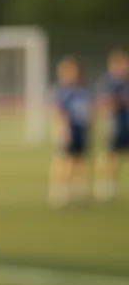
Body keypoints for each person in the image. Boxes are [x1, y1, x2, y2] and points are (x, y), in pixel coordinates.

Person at [50, 56, 93, 207]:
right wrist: (62, 129)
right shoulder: (62, 91)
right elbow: (59, 111)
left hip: (81, 130)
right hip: (68, 130)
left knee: (81, 160)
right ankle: (59, 190)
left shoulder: (82, 90)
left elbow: (88, 112)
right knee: (64, 160)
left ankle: (80, 189)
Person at [94, 47, 129, 201]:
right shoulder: (107, 82)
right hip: (116, 123)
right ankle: (105, 185)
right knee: (111, 156)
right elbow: (104, 103)